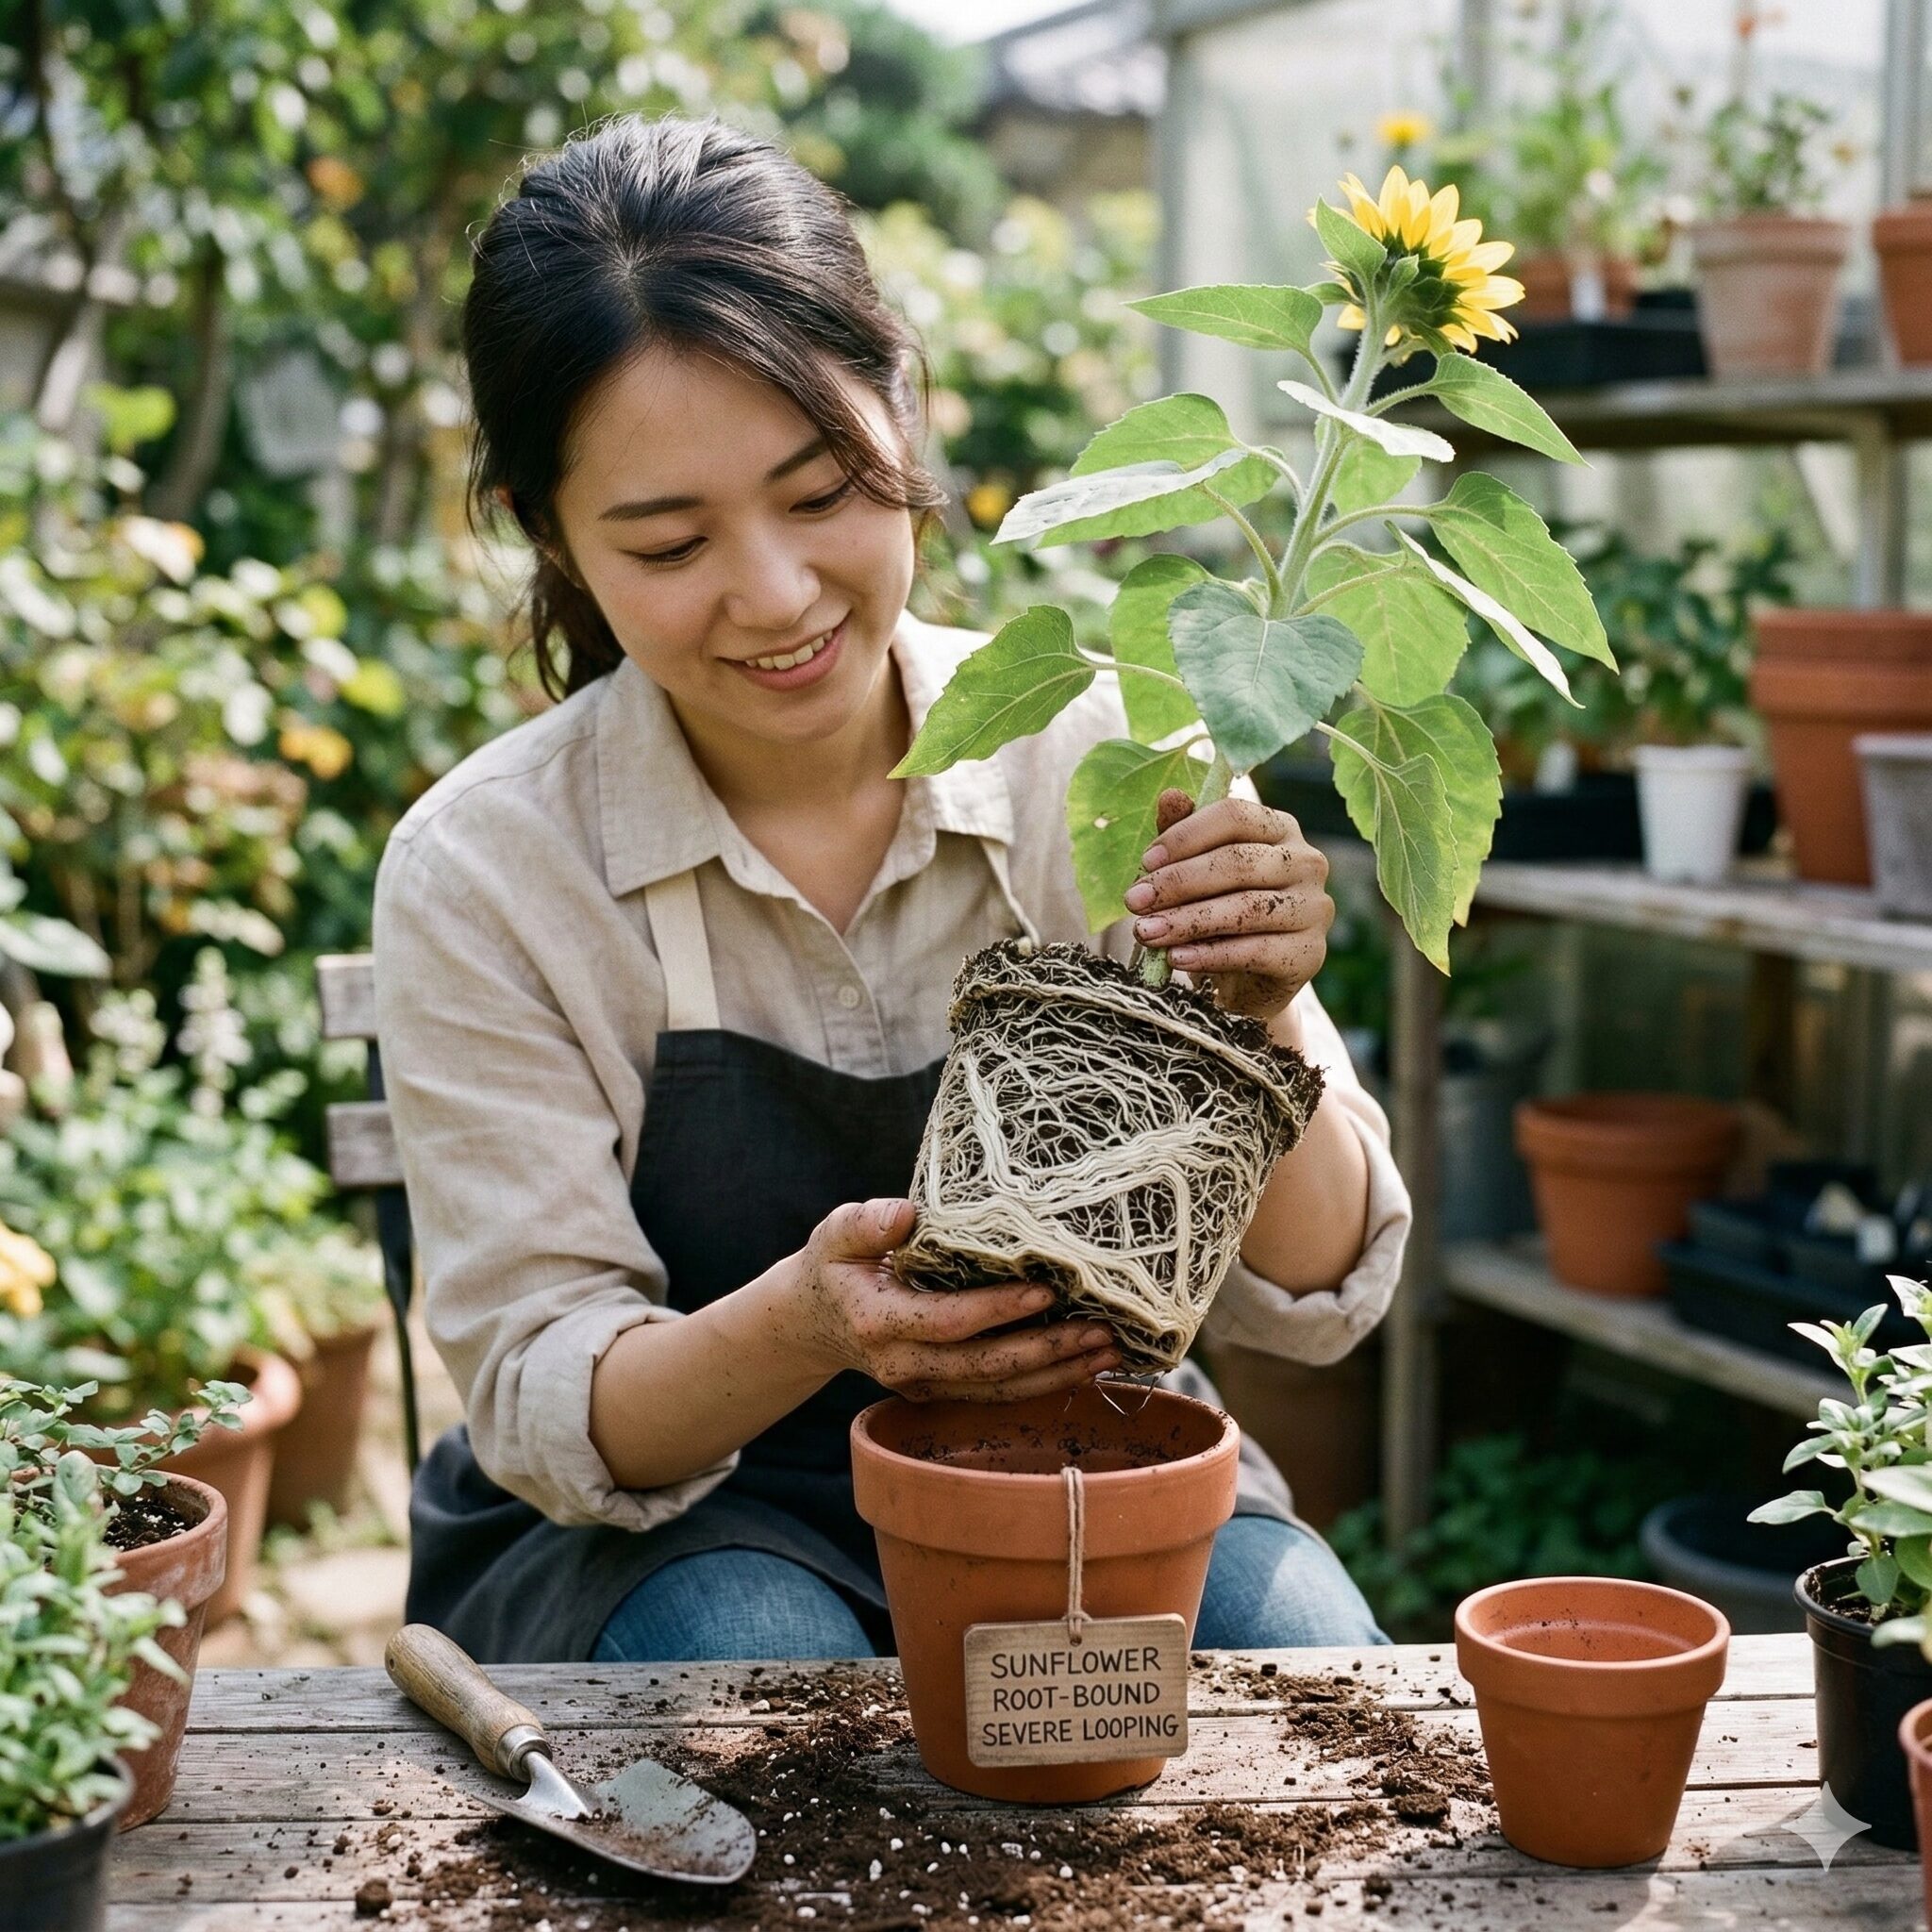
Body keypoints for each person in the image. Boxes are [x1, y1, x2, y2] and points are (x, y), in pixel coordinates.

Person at [375, 114, 1410, 1667]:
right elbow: (546, 1396)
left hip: (1082, 1450)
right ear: (553, 537)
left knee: (1308, 1670)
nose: (777, 595)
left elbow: (1311, 1297)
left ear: (901, 418)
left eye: (821, 492)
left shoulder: (1107, 751)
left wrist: (1265, 1023)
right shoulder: (493, 869)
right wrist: (808, 1324)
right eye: (670, 541)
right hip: (676, 1525)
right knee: (758, 1657)